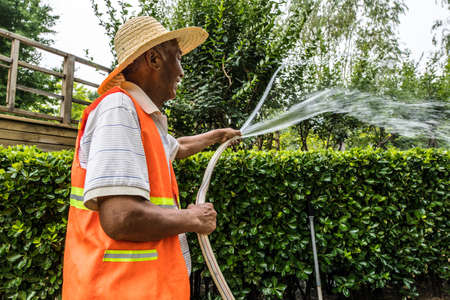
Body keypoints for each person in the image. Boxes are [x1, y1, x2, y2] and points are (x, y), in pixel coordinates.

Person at [62, 16, 240, 299]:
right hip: (120, 290)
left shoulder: (140, 116)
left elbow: (177, 147)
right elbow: (120, 217)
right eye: (178, 58)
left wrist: (218, 135)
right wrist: (192, 219)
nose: (181, 71)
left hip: (136, 287)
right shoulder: (119, 109)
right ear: (154, 59)